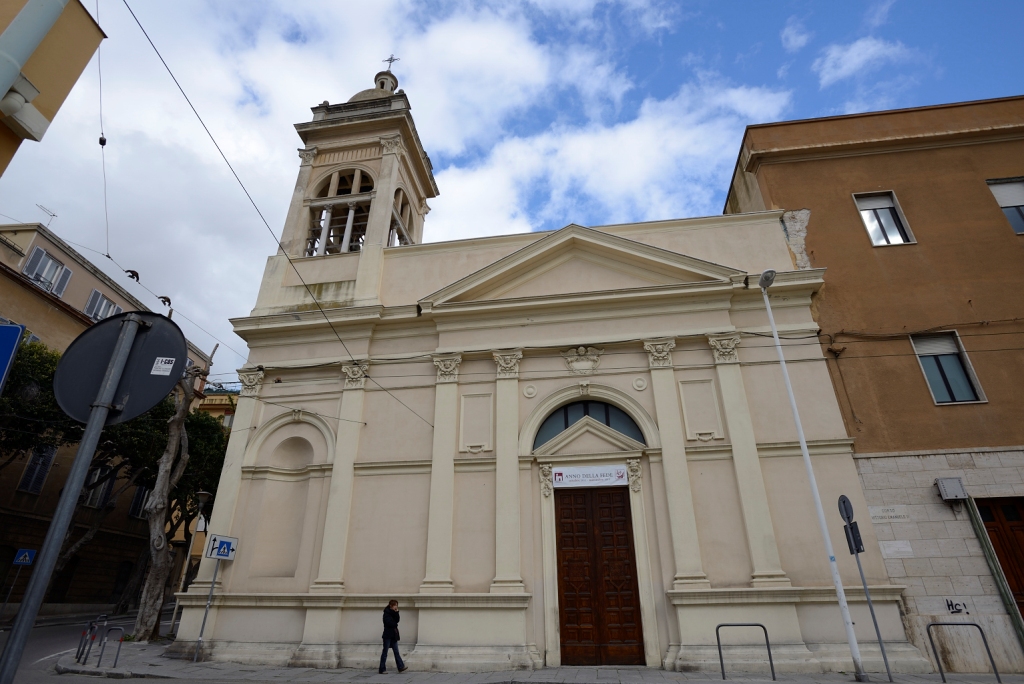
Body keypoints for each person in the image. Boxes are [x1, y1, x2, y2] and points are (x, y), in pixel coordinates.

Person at [379, 599, 407, 674]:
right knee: (385, 652)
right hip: (387, 635)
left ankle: (400, 667)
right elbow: (389, 623)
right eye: (395, 605)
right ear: (391, 606)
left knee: (396, 651)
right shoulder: (386, 613)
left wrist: (397, 612)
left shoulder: (394, 613)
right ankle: (382, 669)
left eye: (397, 605)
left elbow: (397, 620)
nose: (396, 607)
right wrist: (395, 623)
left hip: (393, 635)